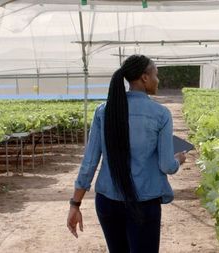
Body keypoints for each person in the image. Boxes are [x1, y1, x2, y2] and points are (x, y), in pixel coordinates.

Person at [66, 54, 187, 253]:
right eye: (156, 74)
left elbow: (89, 163)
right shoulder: (161, 114)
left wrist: (75, 204)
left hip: (107, 203)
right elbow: (166, 166)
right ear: (144, 78)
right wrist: (178, 160)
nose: (158, 79)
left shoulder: (103, 111)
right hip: (144, 203)